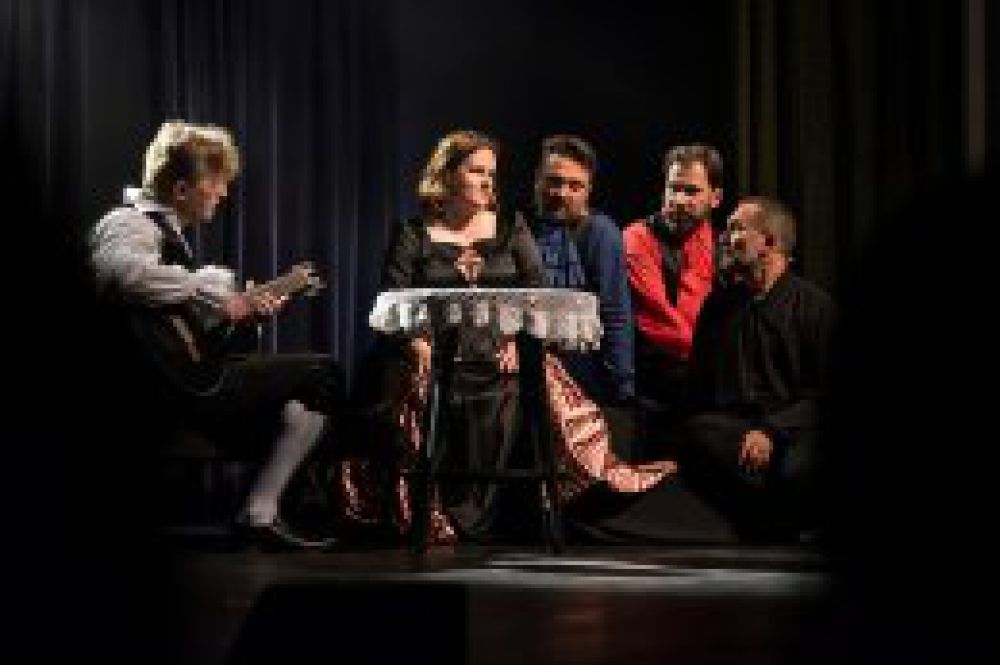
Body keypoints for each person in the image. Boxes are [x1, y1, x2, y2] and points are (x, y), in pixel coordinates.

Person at [89, 120, 343, 548]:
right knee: (324, 373)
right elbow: (120, 274)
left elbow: (199, 343)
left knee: (304, 400)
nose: (224, 193)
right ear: (181, 189)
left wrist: (247, 316)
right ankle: (259, 510)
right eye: (216, 182)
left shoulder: (171, 239)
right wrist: (204, 288)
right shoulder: (129, 223)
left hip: (188, 376)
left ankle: (262, 513)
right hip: (162, 387)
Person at [680, 196, 835, 542]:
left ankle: (773, 517)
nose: (725, 238)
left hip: (794, 429)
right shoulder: (719, 305)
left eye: (736, 229)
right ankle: (777, 519)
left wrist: (771, 431)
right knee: (696, 434)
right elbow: (699, 386)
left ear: (768, 242)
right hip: (736, 432)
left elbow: (826, 394)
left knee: (801, 468)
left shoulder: (815, 307)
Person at [528, 135, 635, 408]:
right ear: (538, 179)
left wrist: (621, 386)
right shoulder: (518, 227)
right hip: (525, 371)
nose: (562, 193)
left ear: (588, 190)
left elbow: (615, 313)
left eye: (575, 186)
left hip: (582, 377)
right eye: (554, 182)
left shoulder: (600, 233)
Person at [623, 144, 721, 443]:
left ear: (715, 197)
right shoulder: (638, 237)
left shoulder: (717, 242)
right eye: (673, 188)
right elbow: (658, 321)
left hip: (699, 374)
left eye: (691, 191)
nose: (678, 200)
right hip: (654, 377)